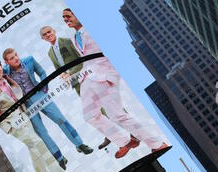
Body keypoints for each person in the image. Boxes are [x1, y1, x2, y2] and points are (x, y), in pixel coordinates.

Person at [62, 8, 168, 159]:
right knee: (90, 115)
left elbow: (110, 48)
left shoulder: (94, 29)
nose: (66, 19)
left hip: (104, 76)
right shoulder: (74, 36)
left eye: (68, 16)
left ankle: (157, 144)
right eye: (64, 18)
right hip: (87, 78)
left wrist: (111, 75)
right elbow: (87, 58)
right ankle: (125, 141)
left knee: (117, 115)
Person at [0, 61, 80, 172]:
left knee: (32, 147)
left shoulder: (6, 79)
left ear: (1, 66)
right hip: (14, 125)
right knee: (38, 143)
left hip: (23, 116)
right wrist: (9, 128)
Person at [3, 48, 93, 170]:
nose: (16, 58)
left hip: (40, 96)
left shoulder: (29, 60)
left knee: (61, 119)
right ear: (6, 61)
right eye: (12, 58)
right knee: (42, 132)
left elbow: (42, 72)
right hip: (26, 105)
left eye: (16, 55)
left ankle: (80, 144)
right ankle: (59, 158)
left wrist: (44, 87)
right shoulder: (5, 72)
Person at [40, 25, 111, 150]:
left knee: (106, 102)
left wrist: (70, 73)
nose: (48, 35)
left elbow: (81, 59)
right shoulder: (50, 53)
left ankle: (128, 128)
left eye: (49, 32)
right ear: (43, 39)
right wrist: (64, 76)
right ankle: (109, 134)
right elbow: (59, 69)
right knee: (94, 109)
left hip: (86, 76)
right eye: (44, 34)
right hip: (76, 83)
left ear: (54, 31)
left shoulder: (66, 41)